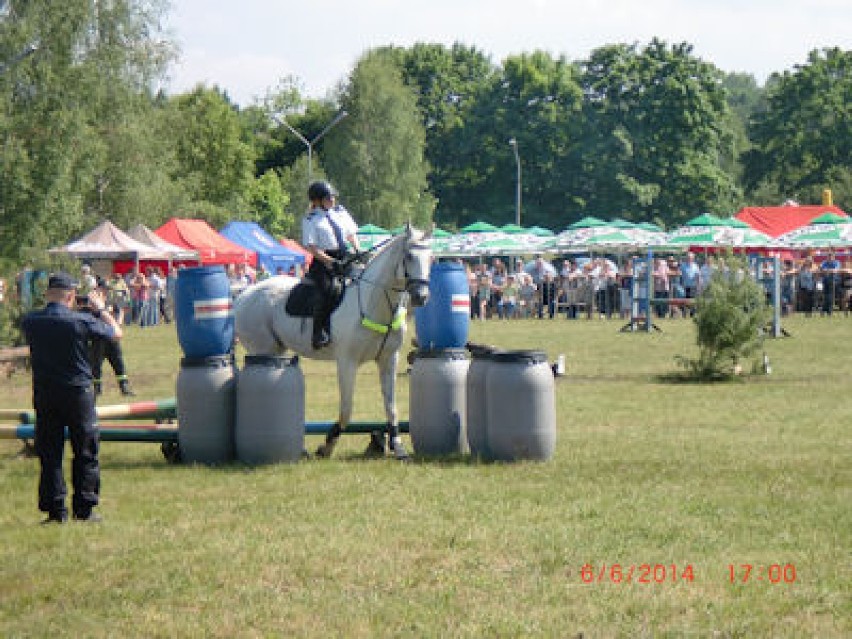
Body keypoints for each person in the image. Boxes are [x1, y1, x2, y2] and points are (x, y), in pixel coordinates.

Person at [21, 272, 123, 524]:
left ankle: (56, 510)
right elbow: (116, 333)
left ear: (47, 295)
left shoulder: (31, 321)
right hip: (78, 392)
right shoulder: (80, 321)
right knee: (85, 450)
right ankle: (84, 508)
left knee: (50, 452)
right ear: (70, 296)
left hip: (45, 393)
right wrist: (99, 309)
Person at [302, 180, 360, 349]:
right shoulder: (310, 219)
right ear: (317, 201)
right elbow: (312, 248)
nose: (332, 200)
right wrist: (330, 261)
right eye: (328, 197)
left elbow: (351, 235)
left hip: (345, 257)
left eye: (333, 196)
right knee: (328, 290)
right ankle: (318, 333)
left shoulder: (341, 213)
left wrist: (357, 250)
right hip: (323, 262)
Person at [90, 278, 135, 397]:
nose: (105, 291)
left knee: (118, 361)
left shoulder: (109, 301)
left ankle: (124, 387)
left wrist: (119, 321)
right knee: (96, 364)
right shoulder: (93, 303)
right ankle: (97, 389)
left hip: (111, 337)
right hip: (98, 337)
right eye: (103, 289)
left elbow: (119, 310)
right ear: (97, 288)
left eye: (106, 289)